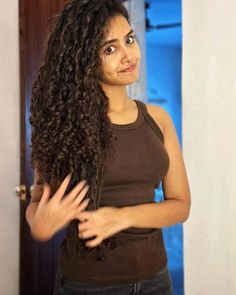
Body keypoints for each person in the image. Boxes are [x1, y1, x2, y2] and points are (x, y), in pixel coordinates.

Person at [26, 0, 191, 294]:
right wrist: (40, 226)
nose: (129, 55)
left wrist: (120, 217)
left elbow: (180, 206)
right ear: (85, 60)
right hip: (88, 284)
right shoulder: (64, 126)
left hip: (156, 277)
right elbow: (38, 204)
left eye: (129, 39)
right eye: (110, 49)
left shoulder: (159, 119)